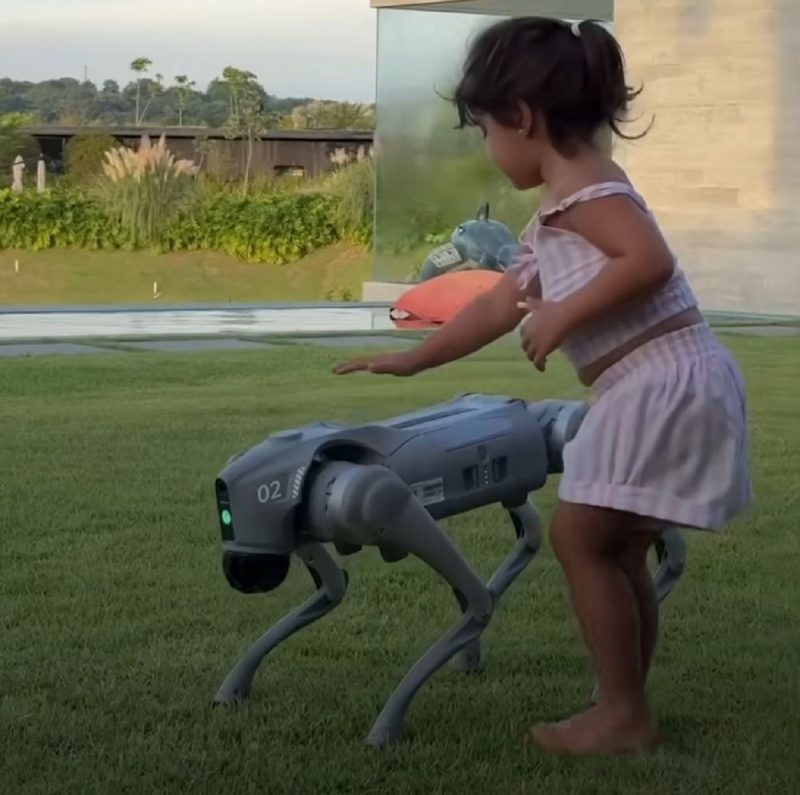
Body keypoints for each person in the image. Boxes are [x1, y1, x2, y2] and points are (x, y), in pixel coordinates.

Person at [333, 17, 752, 757]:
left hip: (658, 380)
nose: (489, 150)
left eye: (486, 130)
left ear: (521, 118)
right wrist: (414, 359)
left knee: (579, 535)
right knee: (613, 547)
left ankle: (622, 711)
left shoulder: (586, 191)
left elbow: (646, 259)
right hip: (657, 380)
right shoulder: (559, 210)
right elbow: (497, 304)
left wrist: (564, 312)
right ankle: (625, 705)